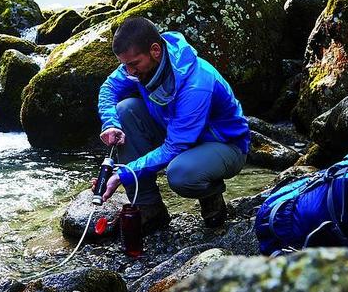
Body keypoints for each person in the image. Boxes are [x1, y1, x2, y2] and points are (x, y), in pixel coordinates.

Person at [94, 17, 250, 231]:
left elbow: (175, 146)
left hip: (225, 145)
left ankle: (210, 195)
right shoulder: (139, 64)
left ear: (155, 50)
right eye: (124, 65)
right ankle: (148, 208)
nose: (129, 72)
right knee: (125, 110)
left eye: (133, 64)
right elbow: (109, 88)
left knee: (180, 174)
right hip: (177, 131)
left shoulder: (196, 84)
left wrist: (123, 174)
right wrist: (111, 124)